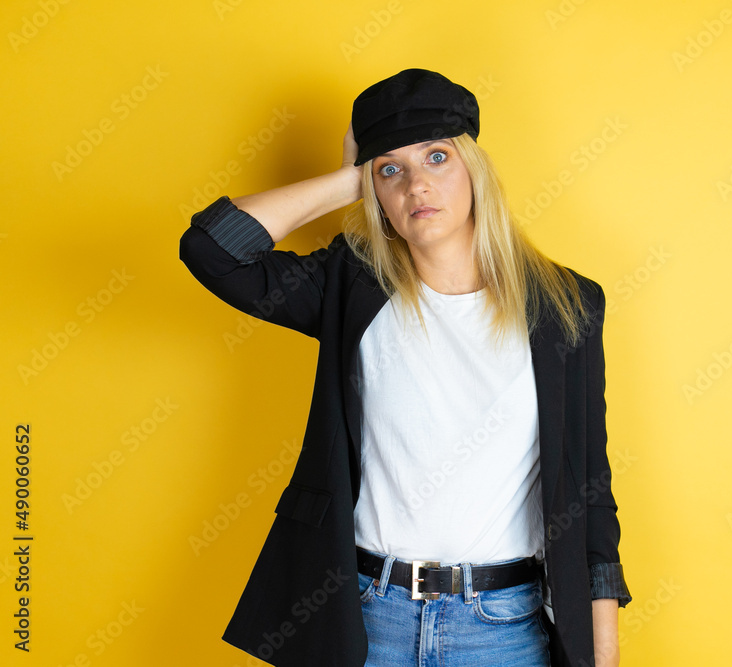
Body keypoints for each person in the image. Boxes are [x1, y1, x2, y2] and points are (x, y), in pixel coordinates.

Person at [179, 68, 631, 667]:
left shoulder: (565, 305)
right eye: (391, 169)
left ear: (474, 168)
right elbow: (213, 250)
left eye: (437, 157)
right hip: (364, 620)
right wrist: (349, 180)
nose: (417, 185)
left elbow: (590, 495)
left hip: (502, 627)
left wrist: (602, 657)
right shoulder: (350, 286)